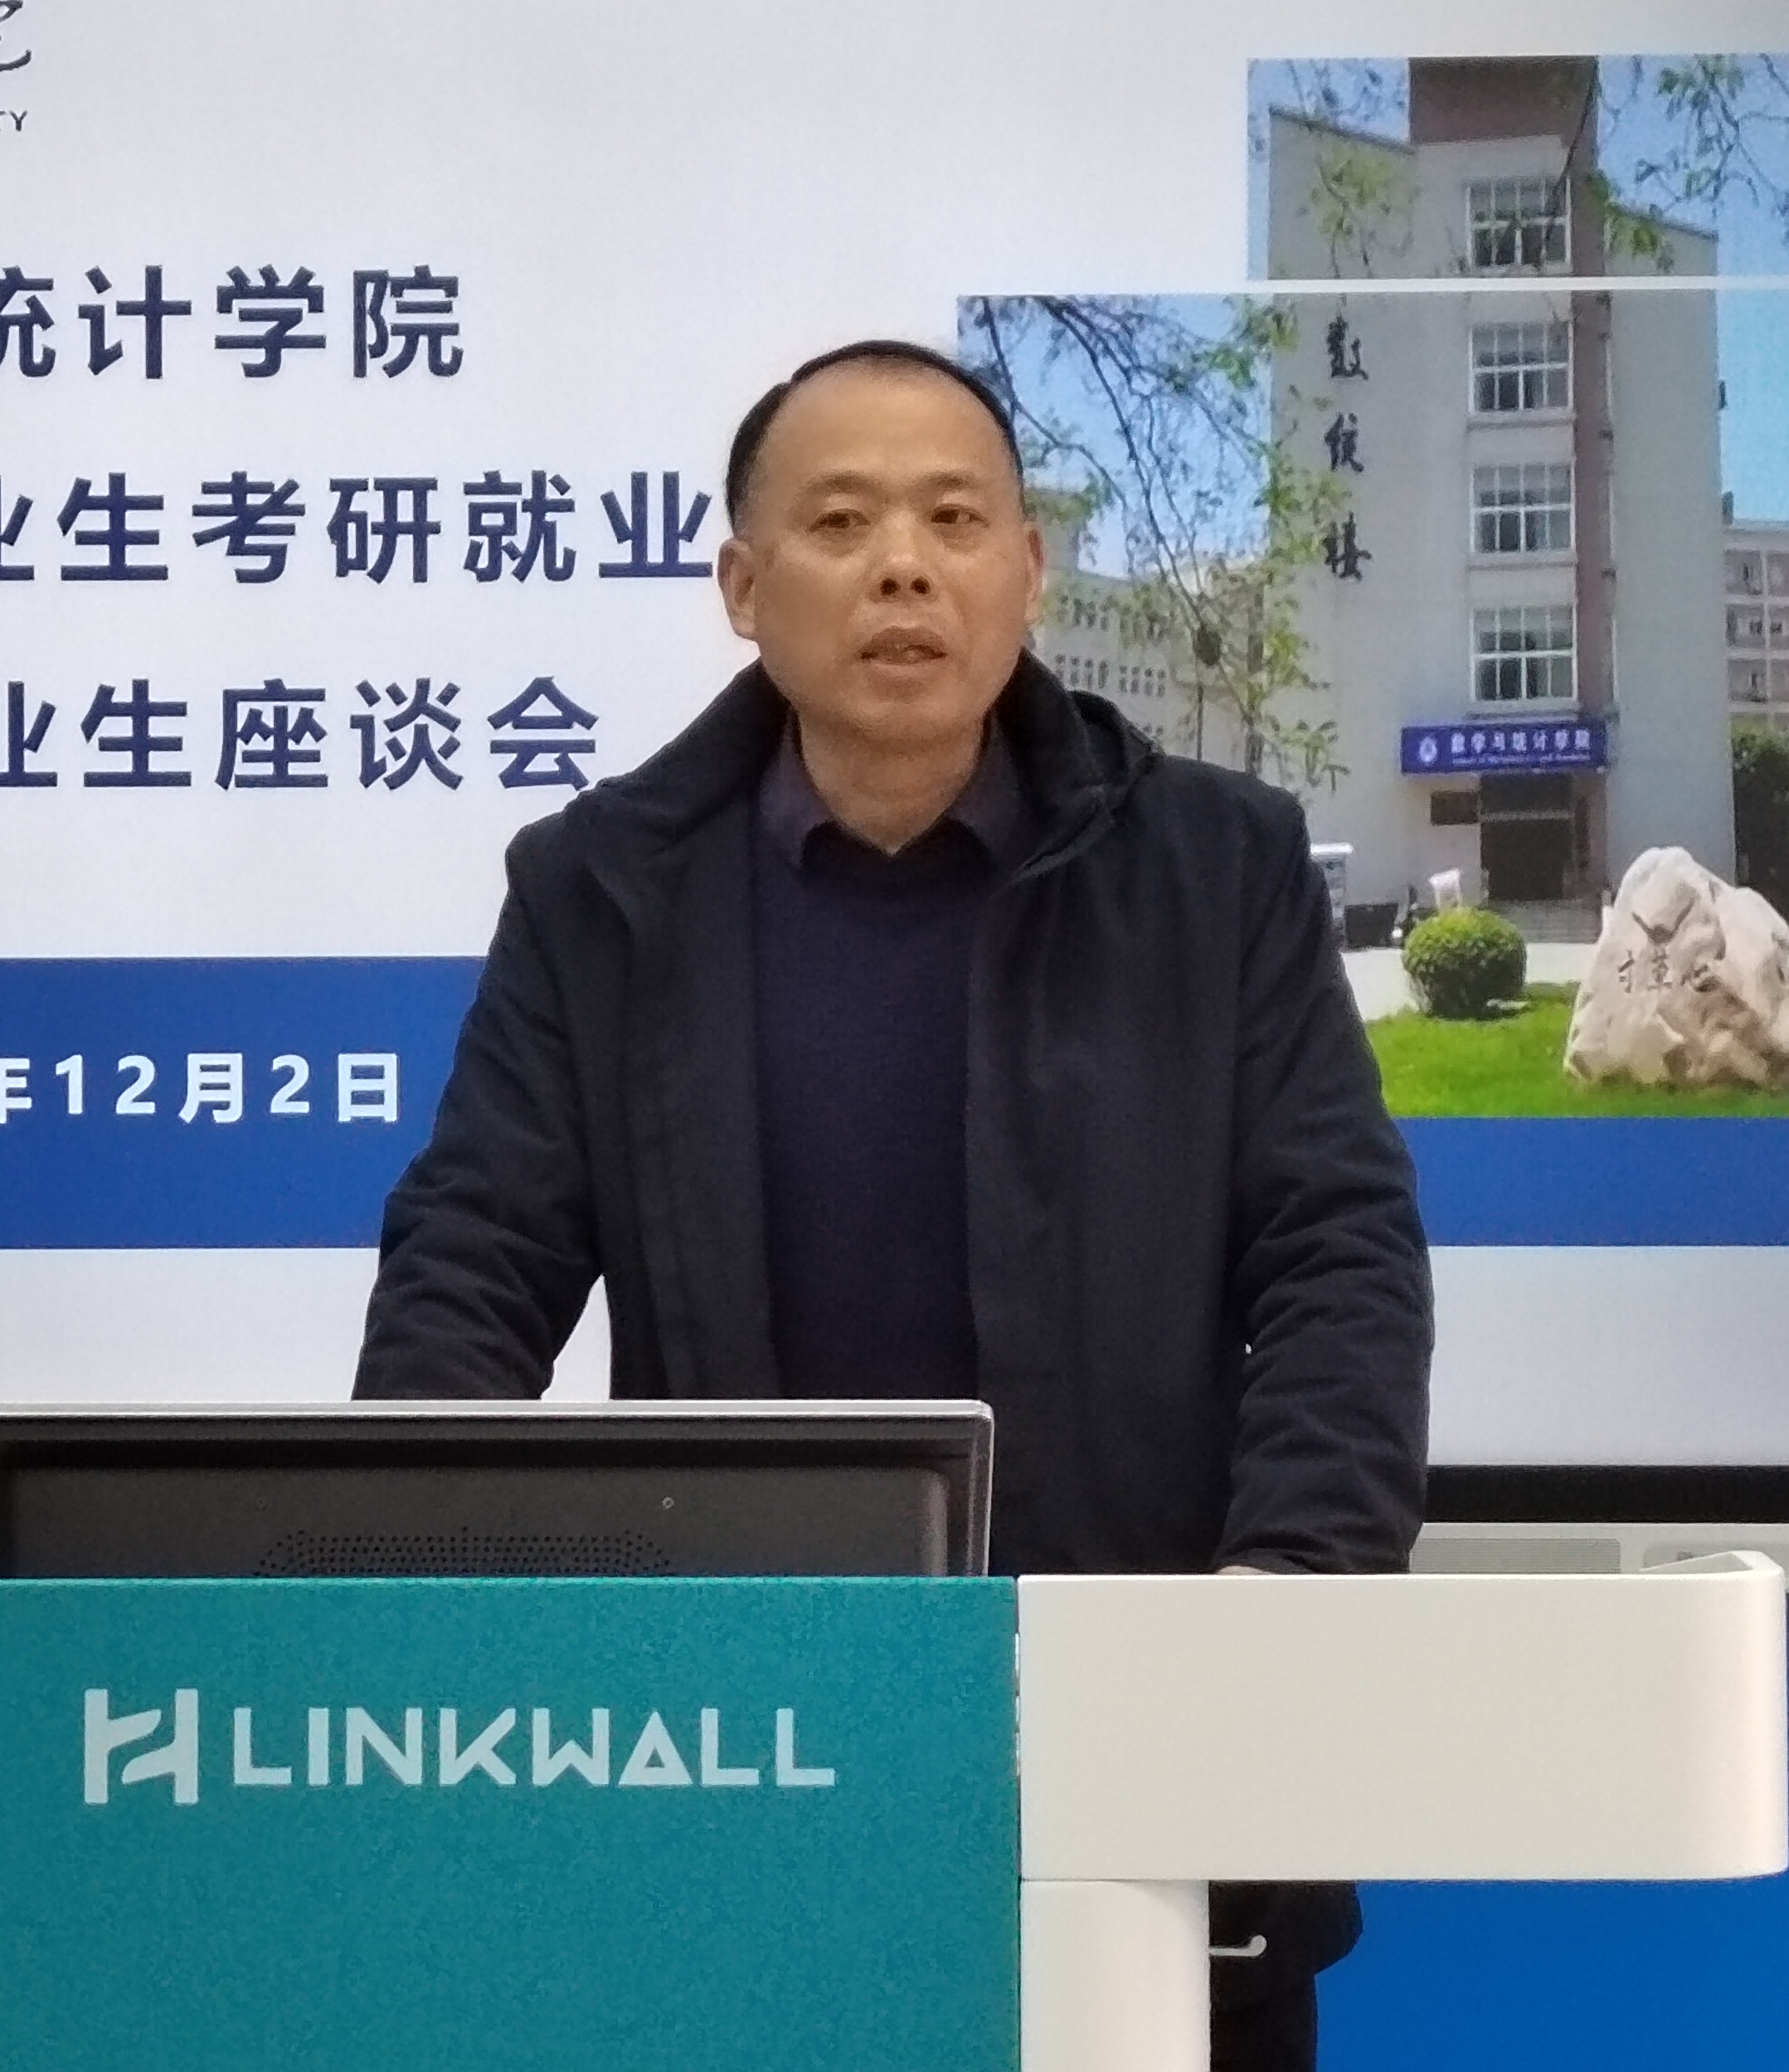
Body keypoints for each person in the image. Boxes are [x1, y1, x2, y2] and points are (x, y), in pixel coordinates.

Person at [353, 338, 1434, 2072]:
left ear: (1029, 570)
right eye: (841, 522)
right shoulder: (599, 892)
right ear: (742, 588)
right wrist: (419, 1593)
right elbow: (472, 1259)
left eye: (954, 519)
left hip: (1146, 1769)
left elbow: (1336, 1255)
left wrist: (1284, 1598)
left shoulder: (1216, 870)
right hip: (729, 1776)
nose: (904, 568)